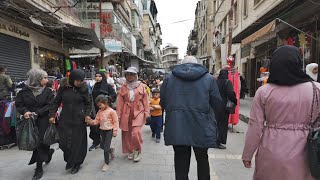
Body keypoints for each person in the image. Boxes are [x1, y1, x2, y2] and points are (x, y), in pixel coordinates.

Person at [242, 45, 318, 180]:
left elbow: (255, 126)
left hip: (271, 152)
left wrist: (248, 155)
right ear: (298, 63)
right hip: (307, 154)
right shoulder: (316, 89)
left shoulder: (264, 92)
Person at [160, 56, 222, 180]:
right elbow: (217, 103)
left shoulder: (169, 78)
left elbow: (164, 102)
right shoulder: (208, 78)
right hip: (201, 127)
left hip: (178, 126)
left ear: (181, 65)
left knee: (180, 161)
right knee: (202, 159)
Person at [49, 69, 91, 175]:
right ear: (72, 79)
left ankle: (76, 163)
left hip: (79, 120)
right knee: (63, 143)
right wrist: (52, 115)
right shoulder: (63, 88)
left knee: (77, 144)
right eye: (77, 80)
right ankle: (70, 159)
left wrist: (86, 114)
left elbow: (88, 103)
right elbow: (56, 102)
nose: (79, 83)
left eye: (81, 81)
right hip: (65, 120)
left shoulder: (84, 89)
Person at [15, 69, 54, 180]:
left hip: (43, 119)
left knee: (41, 141)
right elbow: (19, 104)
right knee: (35, 142)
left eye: (47, 77)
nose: (47, 80)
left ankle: (39, 168)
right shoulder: (23, 92)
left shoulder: (47, 91)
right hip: (30, 120)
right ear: (36, 79)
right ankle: (47, 153)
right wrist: (25, 111)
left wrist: (39, 112)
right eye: (44, 78)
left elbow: (51, 105)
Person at [117, 67, 149, 162]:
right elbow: (120, 102)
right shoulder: (123, 86)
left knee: (135, 132)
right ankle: (130, 150)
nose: (129, 76)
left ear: (136, 75)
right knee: (126, 132)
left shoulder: (142, 86)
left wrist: (147, 113)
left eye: (132, 74)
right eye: (128, 74)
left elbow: (145, 100)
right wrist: (118, 115)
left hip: (139, 111)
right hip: (126, 111)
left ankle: (137, 150)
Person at [86, 95, 118, 172]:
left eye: (100, 105)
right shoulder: (99, 112)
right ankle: (111, 150)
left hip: (109, 131)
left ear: (106, 102)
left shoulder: (112, 111)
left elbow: (116, 122)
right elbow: (96, 121)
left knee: (105, 148)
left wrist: (115, 131)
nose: (99, 107)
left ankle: (106, 163)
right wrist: (90, 121)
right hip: (102, 131)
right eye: (98, 105)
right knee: (103, 146)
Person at [89, 71, 117, 151]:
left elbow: (113, 95)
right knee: (94, 126)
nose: (97, 78)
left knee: (105, 126)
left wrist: (107, 99)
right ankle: (96, 142)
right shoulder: (94, 86)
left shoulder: (107, 86)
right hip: (95, 109)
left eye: (99, 76)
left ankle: (106, 143)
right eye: (96, 76)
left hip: (105, 110)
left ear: (103, 77)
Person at [215, 69, 237, 149]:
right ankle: (219, 142)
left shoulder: (215, 82)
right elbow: (230, 94)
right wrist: (235, 101)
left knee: (215, 123)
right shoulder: (227, 82)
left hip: (215, 104)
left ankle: (213, 140)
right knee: (223, 124)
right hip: (223, 106)